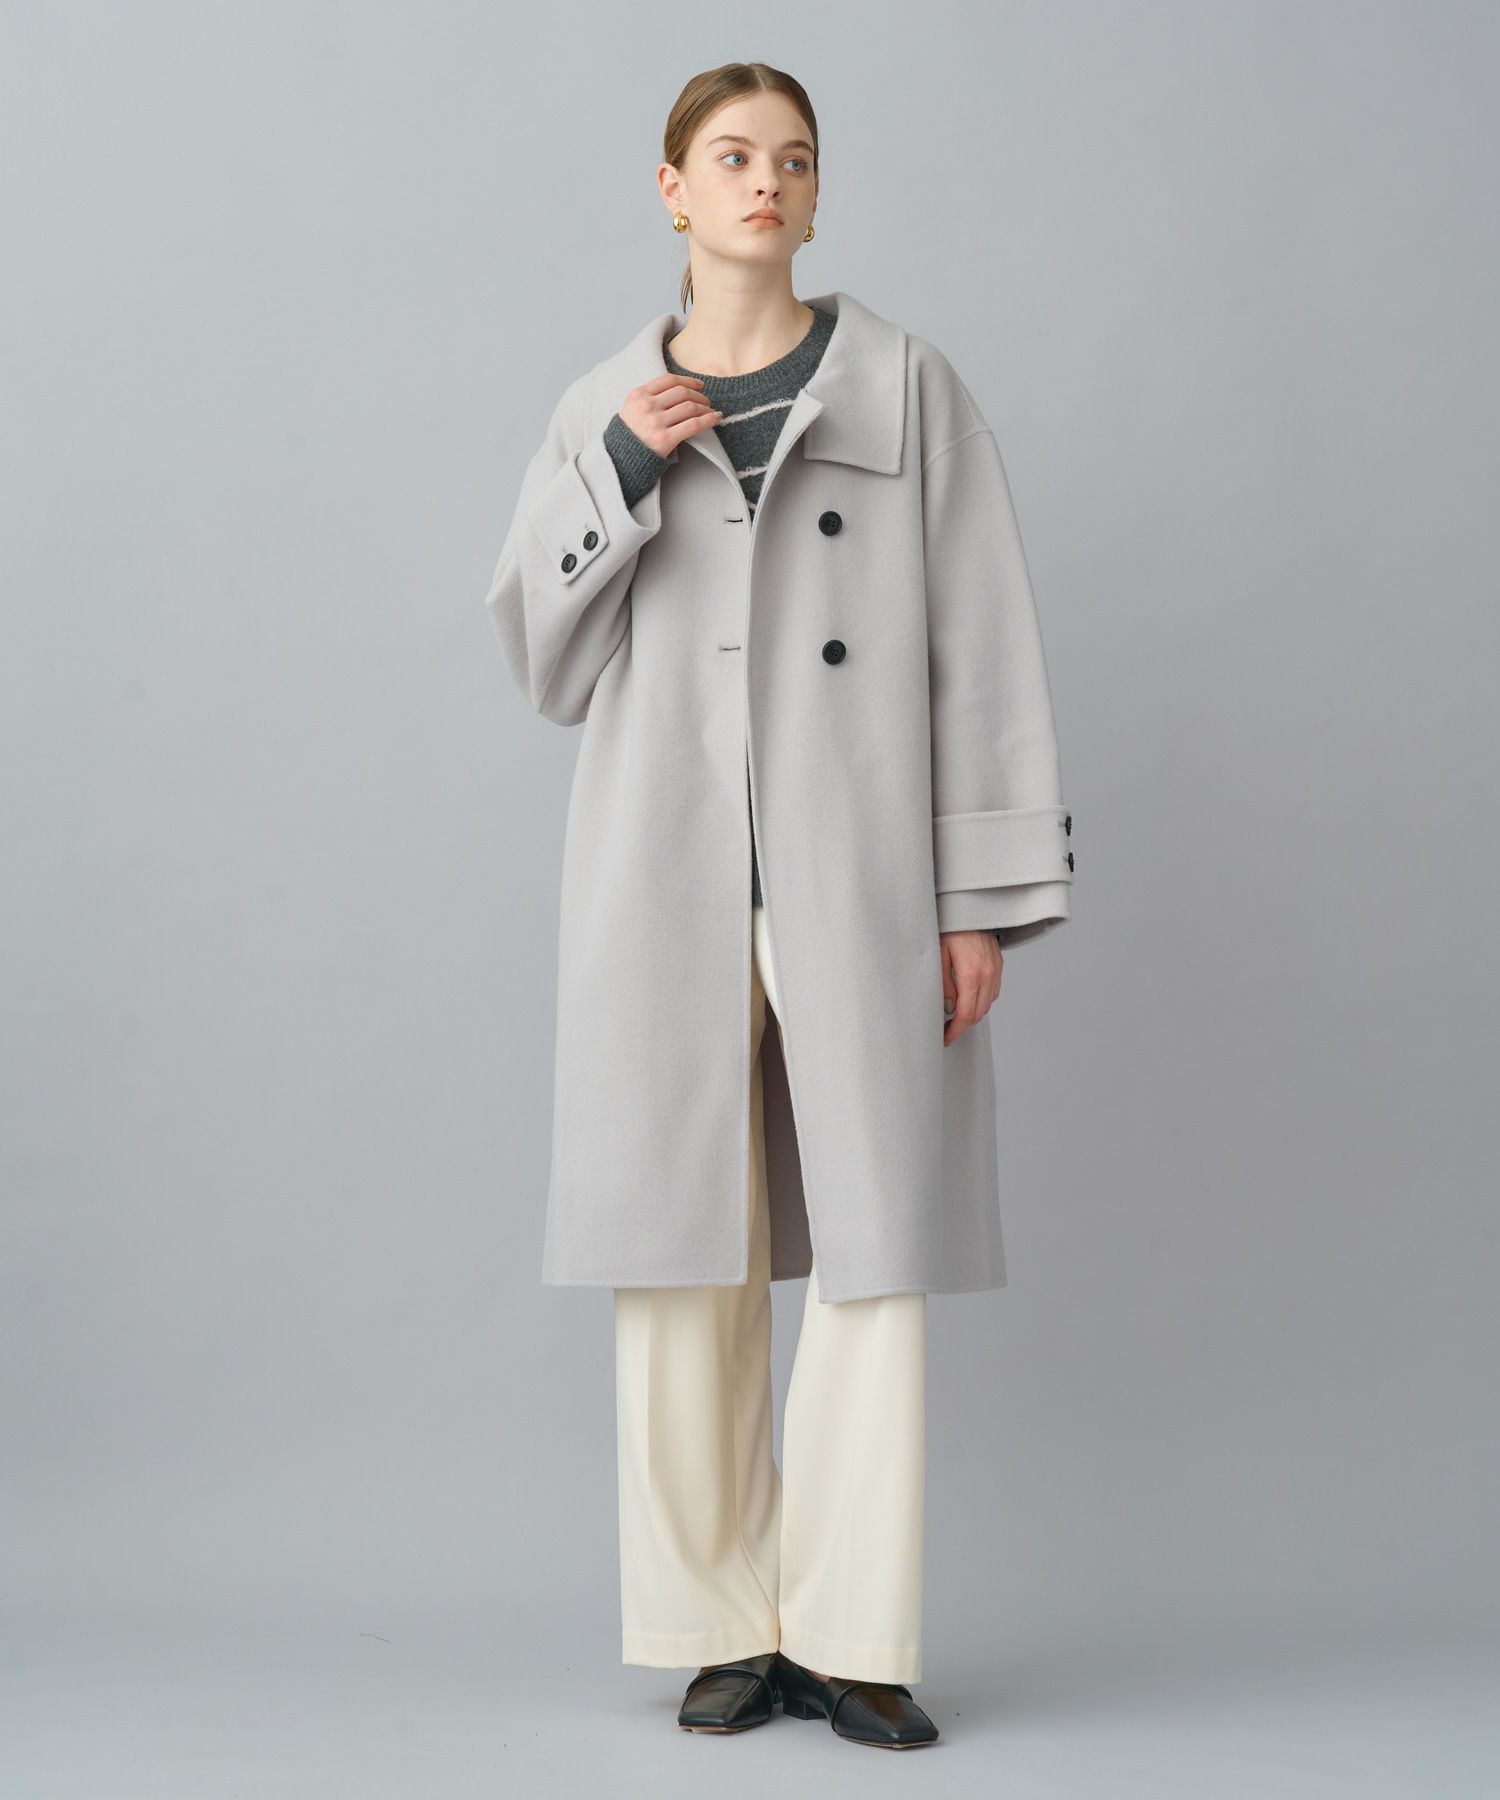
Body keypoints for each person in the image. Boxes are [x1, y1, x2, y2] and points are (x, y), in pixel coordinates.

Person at [483, 62, 1074, 1752]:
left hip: (862, 875)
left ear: (816, 196)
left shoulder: (906, 386)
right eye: (733, 156)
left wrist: (976, 896)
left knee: (877, 1250)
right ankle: (717, 1625)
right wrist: (619, 468)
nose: (766, 182)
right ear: (672, 188)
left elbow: (983, 645)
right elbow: (541, 661)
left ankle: (853, 1632)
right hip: (662, 875)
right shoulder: (601, 403)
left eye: (794, 159)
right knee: (681, 1250)